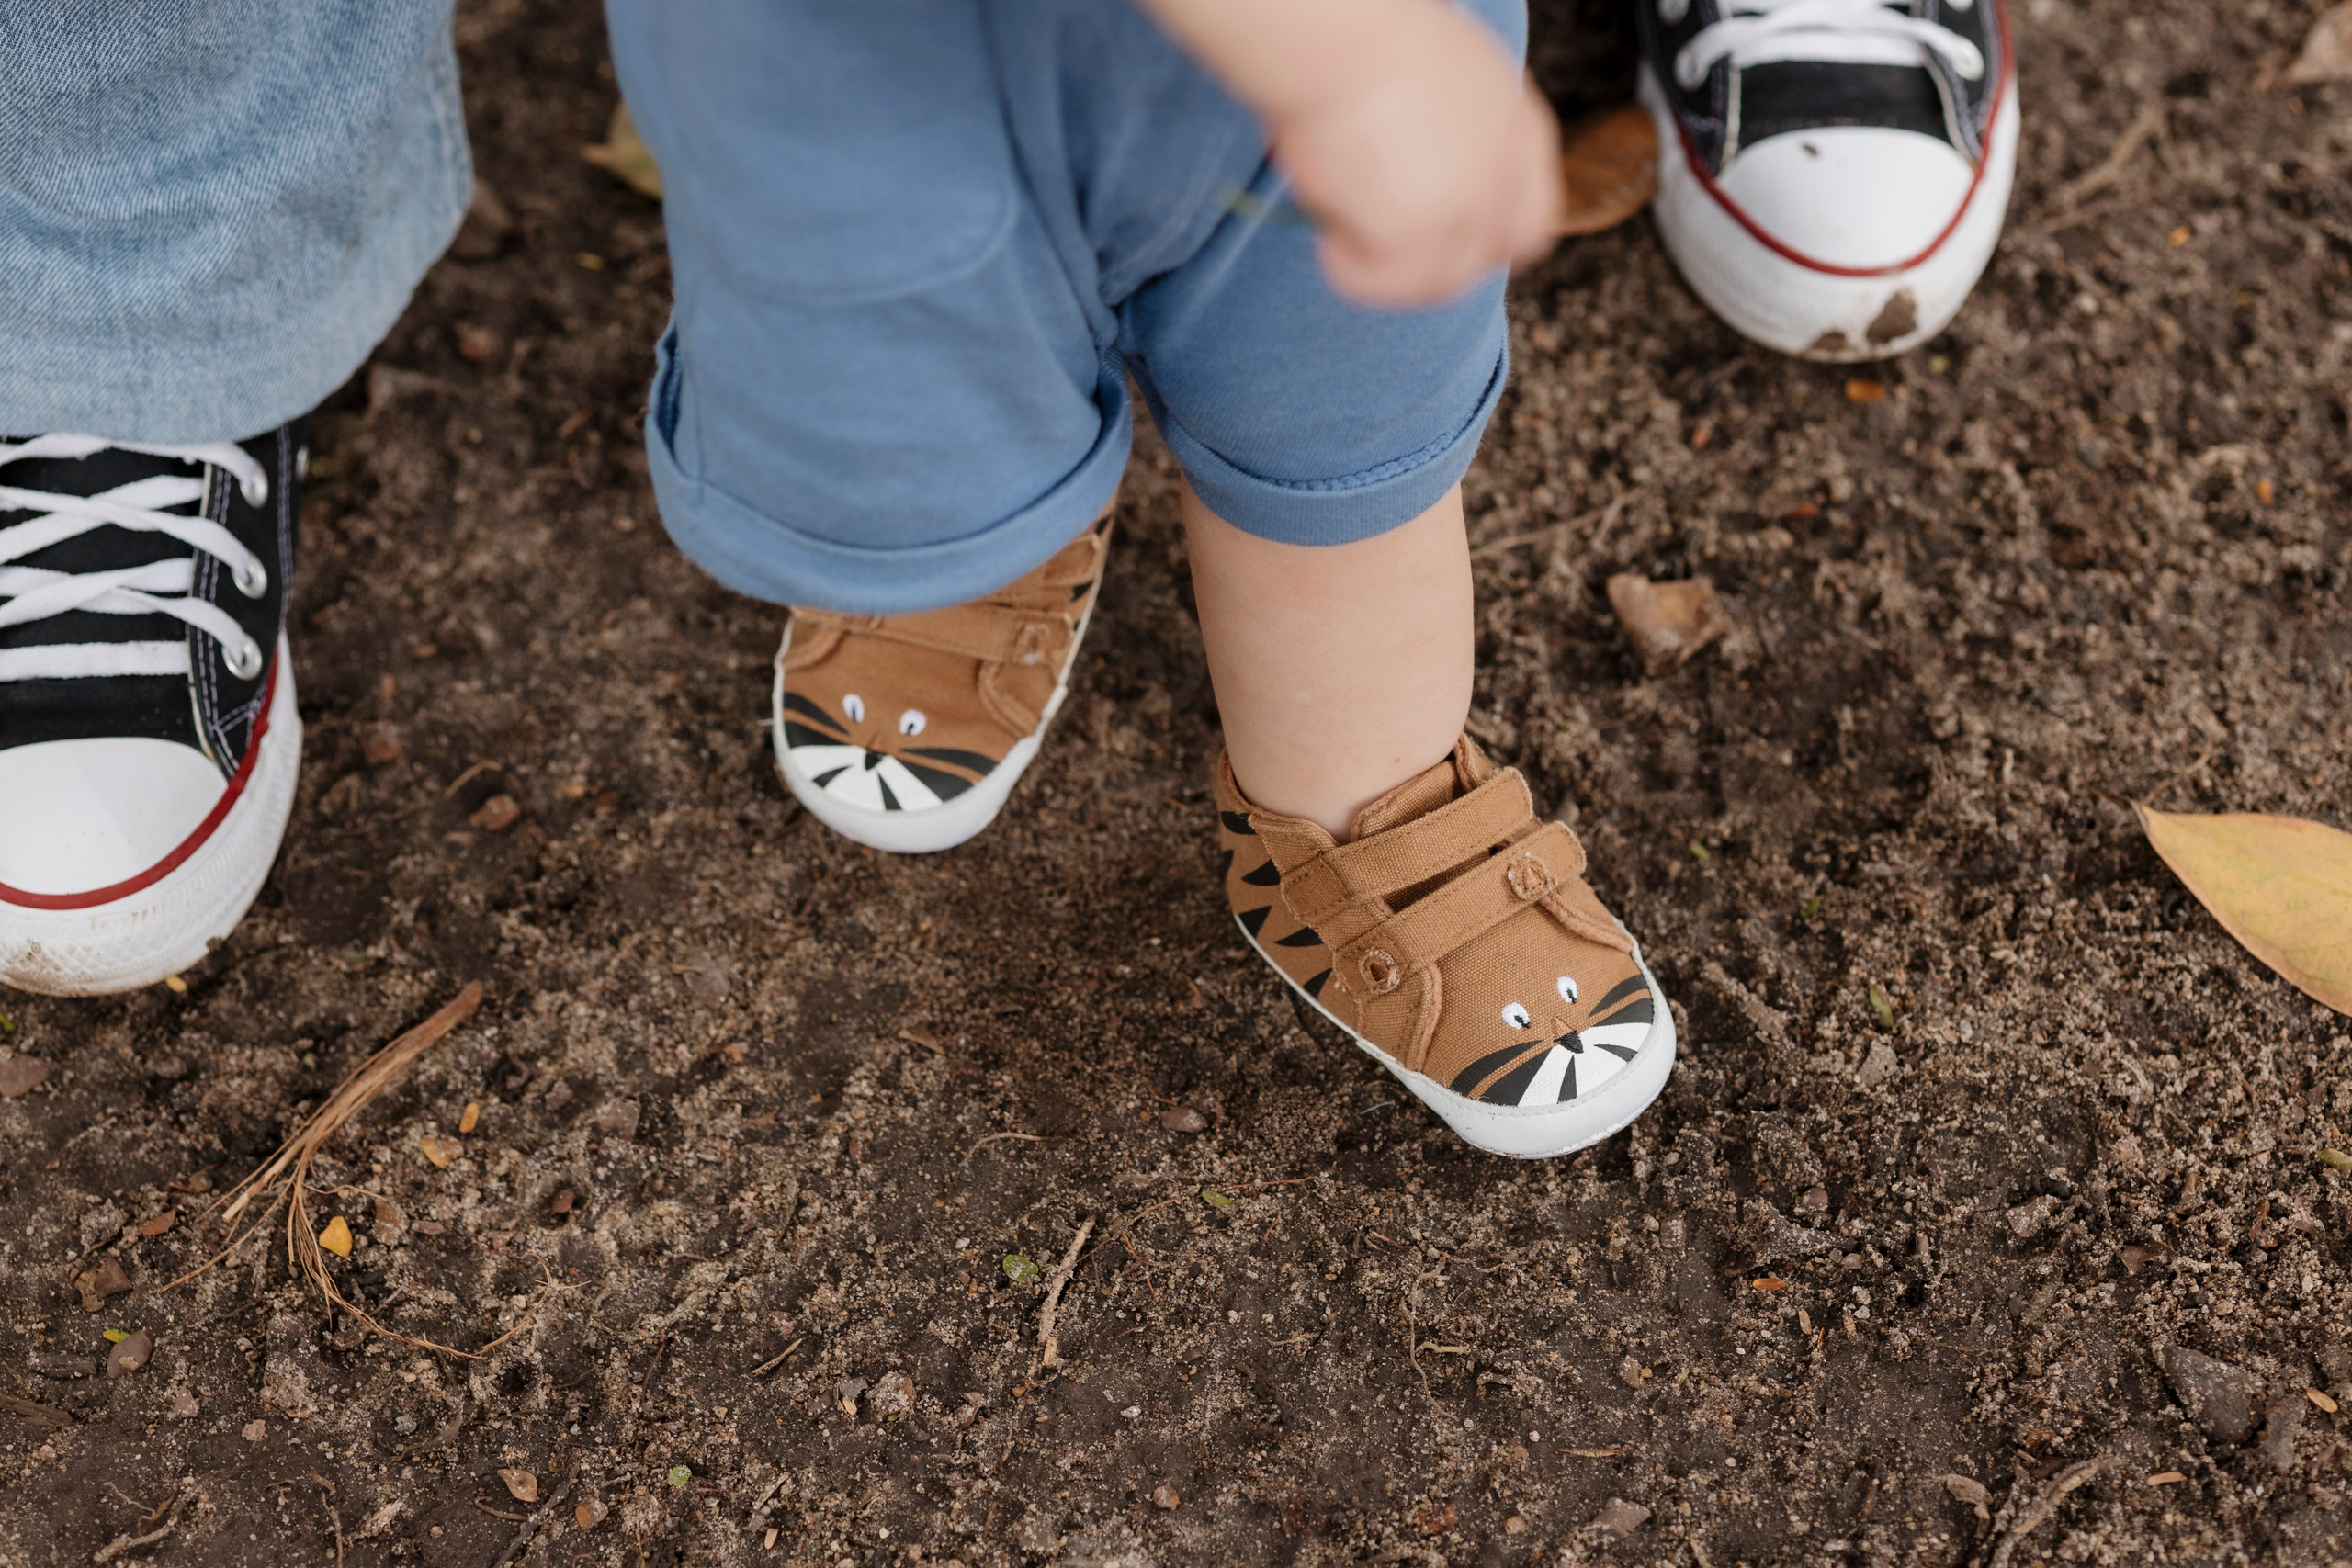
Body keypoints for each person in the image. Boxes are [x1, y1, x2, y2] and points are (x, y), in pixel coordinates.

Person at [0, 0, 2012, 1157]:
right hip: (865, 65)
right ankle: (984, 534)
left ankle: (1355, 799)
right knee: (905, 381)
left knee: (1339, 425)